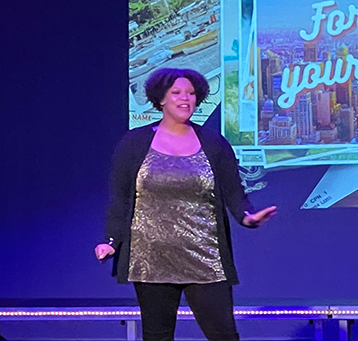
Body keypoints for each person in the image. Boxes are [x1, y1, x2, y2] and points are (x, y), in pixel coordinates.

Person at [94, 68, 277, 341]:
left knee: (224, 336)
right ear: (161, 99)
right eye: (177, 92)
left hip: (205, 258)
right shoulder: (133, 144)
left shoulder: (214, 143)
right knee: (157, 336)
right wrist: (111, 240)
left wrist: (247, 217)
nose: (185, 99)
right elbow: (120, 199)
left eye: (191, 93)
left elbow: (234, 193)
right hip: (150, 259)